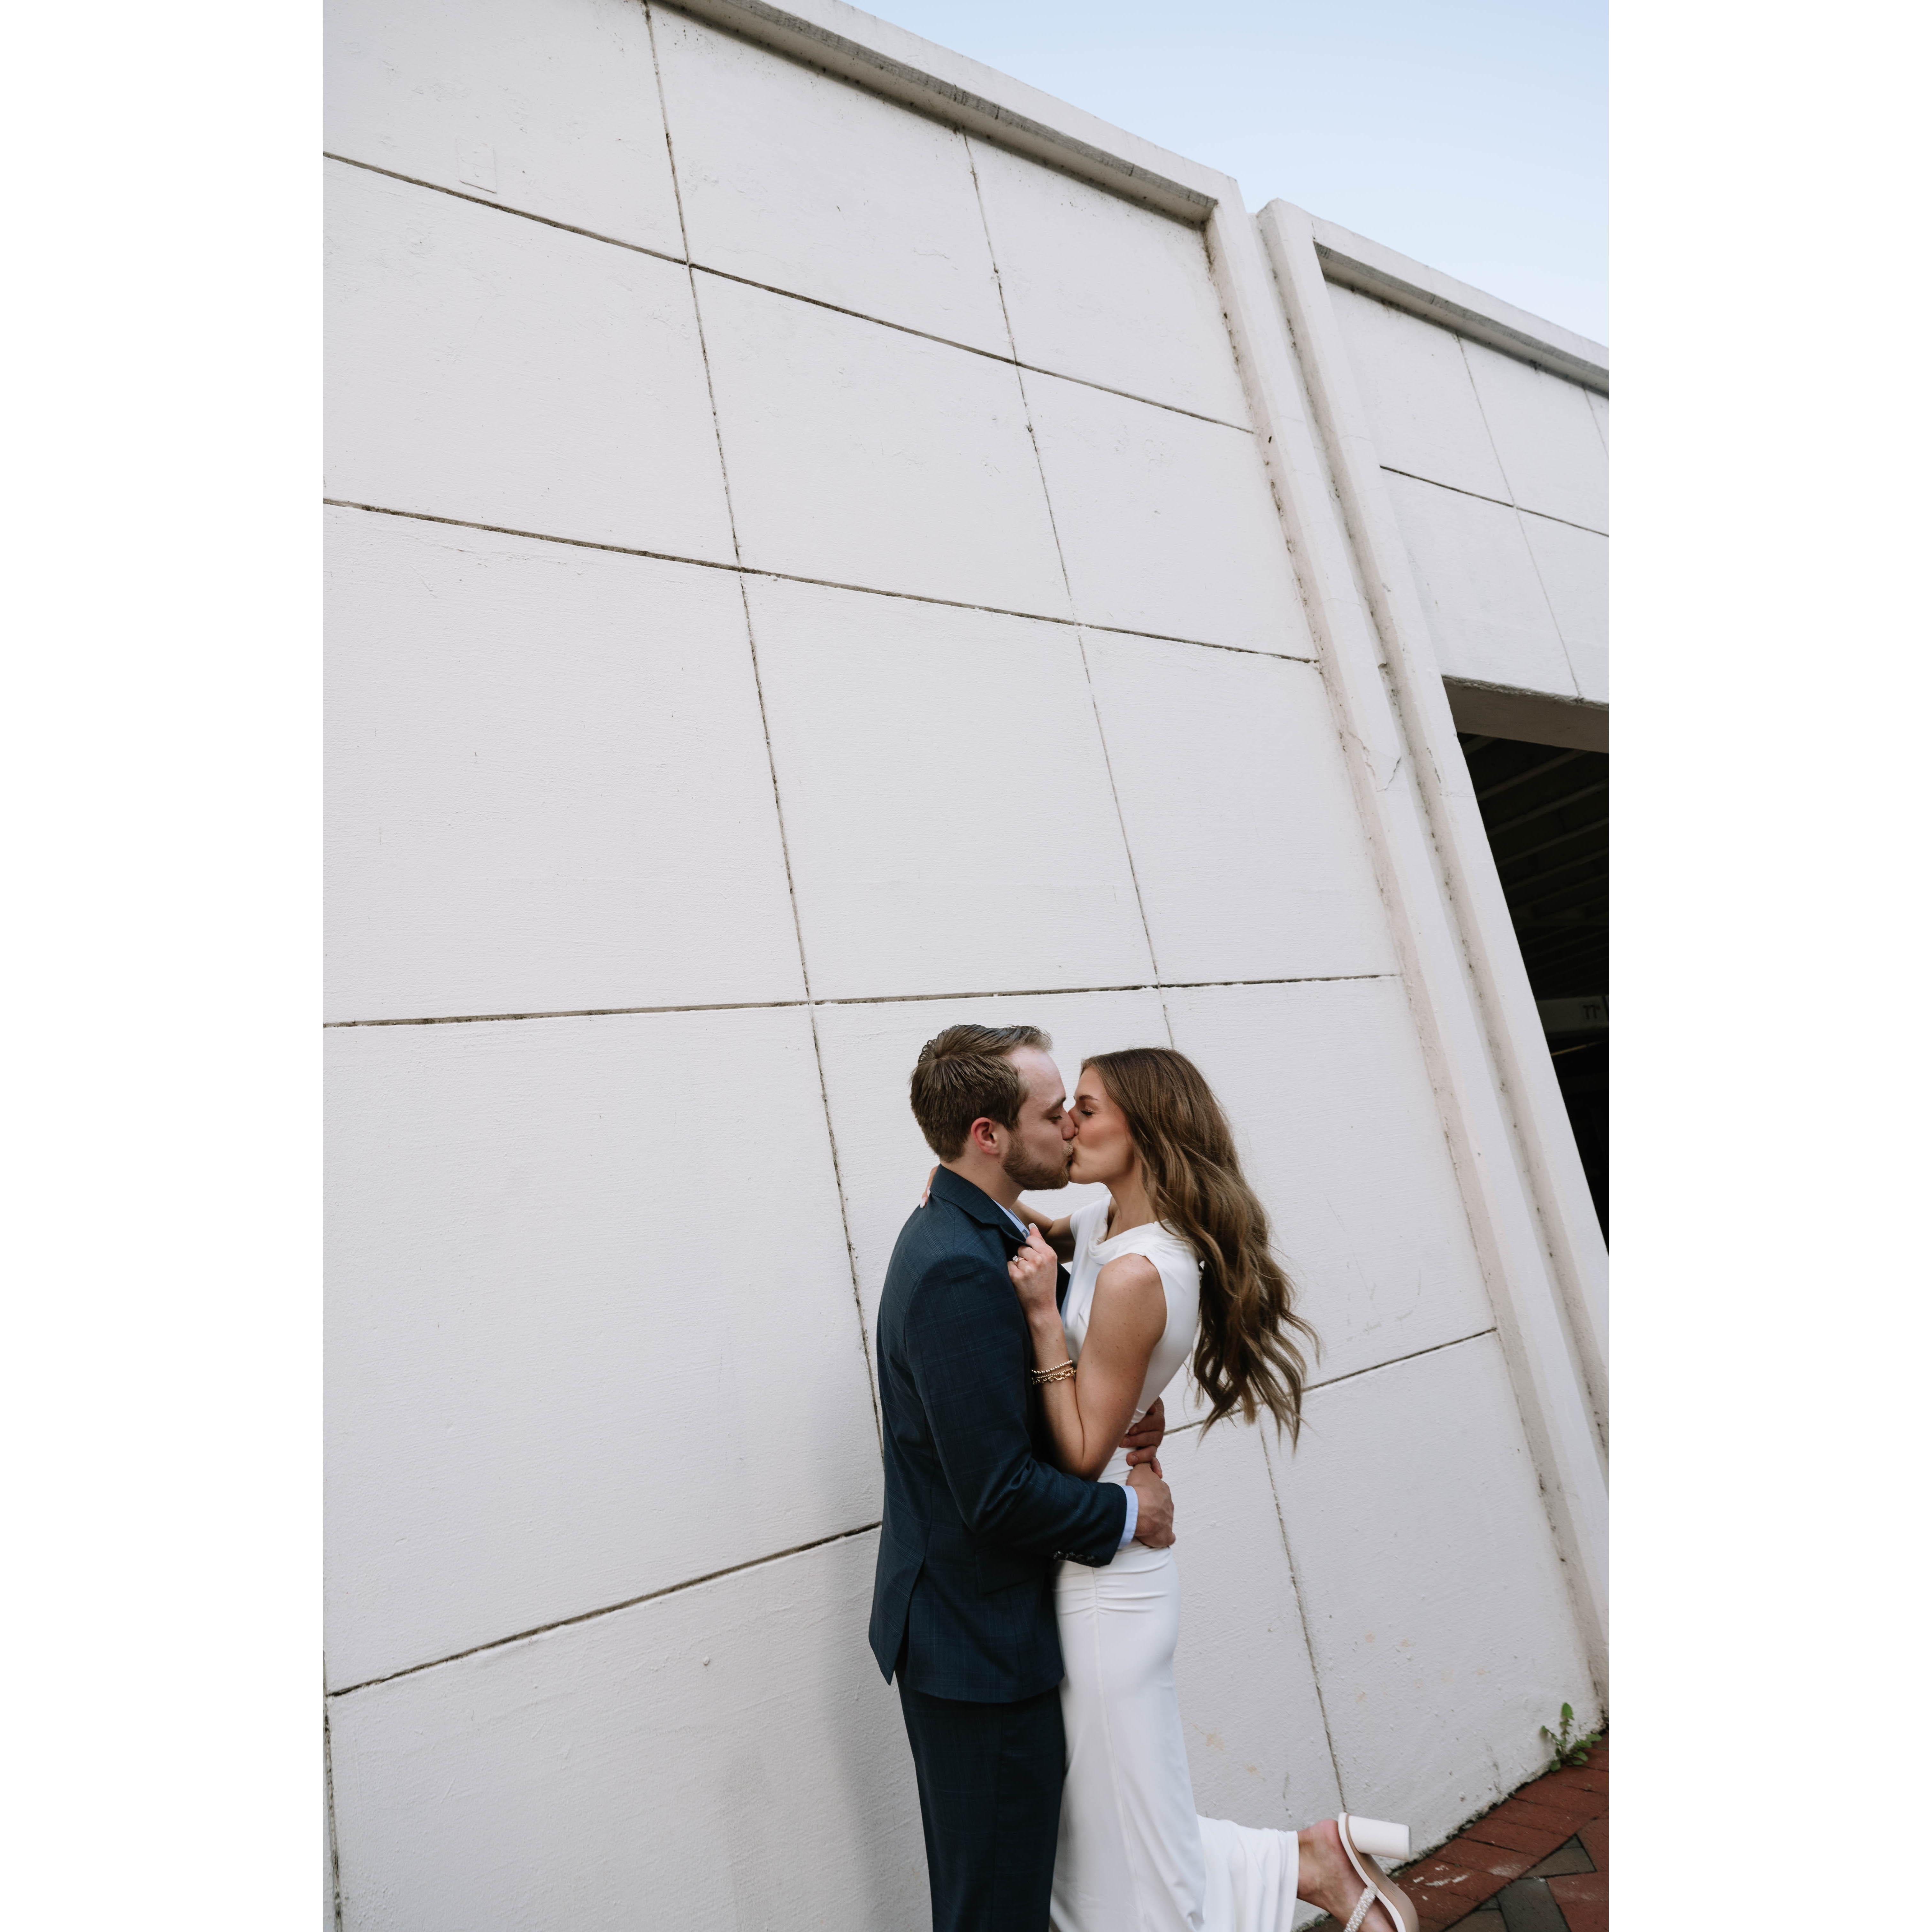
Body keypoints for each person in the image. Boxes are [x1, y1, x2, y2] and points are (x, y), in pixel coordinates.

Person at [1006, 1046, 1419, 1932]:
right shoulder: (1106, 1226)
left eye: (1086, 1108)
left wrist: (1042, 1318)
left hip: (1107, 1584)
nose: (1067, 1123)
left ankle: (1306, 1864)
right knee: (1106, 1837)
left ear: (1146, 1130)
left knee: (1123, 1852)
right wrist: (969, 1184)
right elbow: (1038, 1226)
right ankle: (1308, 1861)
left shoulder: (1139, 1274)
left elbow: (1079, 1452)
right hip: (1101, 1562)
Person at [868, 1023, 1178, 1932]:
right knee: (996, 1912)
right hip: (979, 1653)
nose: (1070, 1128)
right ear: (988, 1135)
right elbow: (997, 1493)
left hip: (983, 1636)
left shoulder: (989, 1231)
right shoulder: (956, 1271)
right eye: (1053, 1114)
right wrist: (1130, 1513)